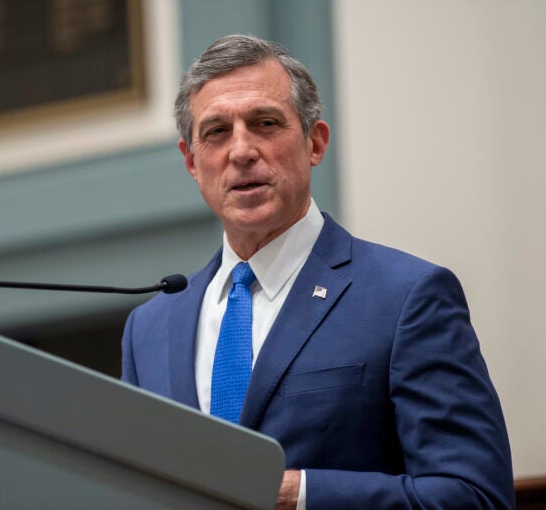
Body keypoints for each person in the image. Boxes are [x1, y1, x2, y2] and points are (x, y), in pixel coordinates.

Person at [121, 34, 514, 509]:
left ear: (315, 142)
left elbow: (477, 497)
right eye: (217, 131)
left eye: (265, 123)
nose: (241, 150)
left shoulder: (406, 297)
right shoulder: (150, 329)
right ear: (191, 161)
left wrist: (298, 494)